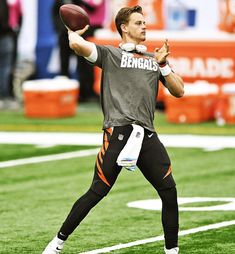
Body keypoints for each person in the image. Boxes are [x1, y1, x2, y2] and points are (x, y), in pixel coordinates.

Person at [42, 5, 184, 254]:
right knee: (98, 191)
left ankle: (172, 251)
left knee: (169, 191)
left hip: (146, 135)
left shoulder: (153, 60)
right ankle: (57, 243)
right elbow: (77, 45)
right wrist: (74, 29)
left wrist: (163, 65)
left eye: (144, 22)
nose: (144, 26)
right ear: (124, 28)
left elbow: (179, 90)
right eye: (138, 23)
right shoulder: (111, 55)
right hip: (119, 133)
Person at [52, 0, 106, 102]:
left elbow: (93, 6)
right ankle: (70, 93)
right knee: (67, 63)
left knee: (87, 61)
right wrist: (59, 27)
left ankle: (88, 91)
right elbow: (56, 9)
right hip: (72, 28)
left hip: (91, 28)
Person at [0, 0, 22, 109]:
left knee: (7, 68)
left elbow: (20, 16)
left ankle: (5, 94)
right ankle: (4, 96)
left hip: (8, 35)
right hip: (6, 34)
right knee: (5, 68)